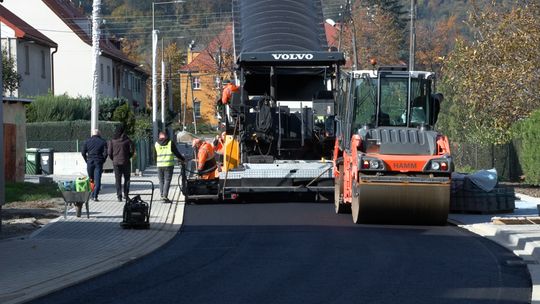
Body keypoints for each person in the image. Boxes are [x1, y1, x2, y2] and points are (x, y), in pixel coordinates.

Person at [155, 131, 185, 203]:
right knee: (167, 180)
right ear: (166, 136)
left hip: (159, 165)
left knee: (161, 181)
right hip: (168, 165)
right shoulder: (170, 143)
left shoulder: (156, 143)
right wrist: (183, 159)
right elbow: (176, 153)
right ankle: (164, 197)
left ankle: (162, 195)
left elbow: (154, 155)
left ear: (159, 137)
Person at [108, 125, 135, 202]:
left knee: (118, 179)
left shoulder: (112, 140)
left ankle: (119, 196)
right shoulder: (127, 140)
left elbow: (109, 152)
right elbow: (132, 150)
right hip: (126, 162)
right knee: (127, 179)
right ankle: (126, 195)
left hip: (116, 162)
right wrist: (128, 156)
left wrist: (113, 159)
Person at [81, 129, 108, 201]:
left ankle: (91, 194)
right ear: (99, 134)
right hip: (98, 162)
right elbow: (106, 153)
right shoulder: (103, 141)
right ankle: (95, 196)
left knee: (91, 180)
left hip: (90, 161)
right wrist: (103, 160)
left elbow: (83, 152)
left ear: (92, 134)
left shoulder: (87, 141)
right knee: (98, 180)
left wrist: (86, 160)